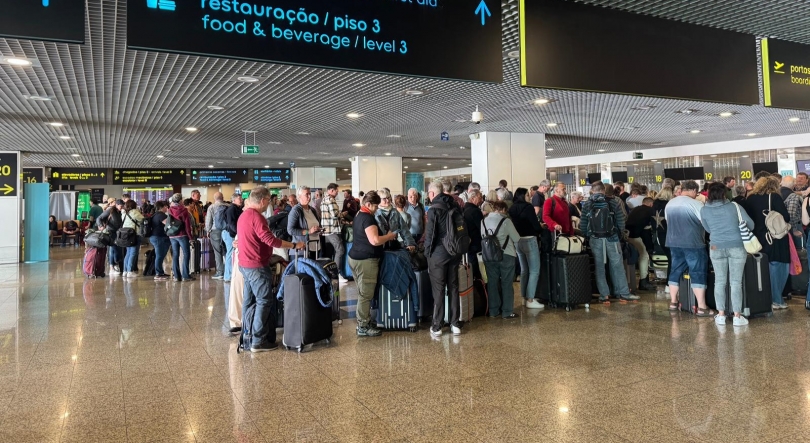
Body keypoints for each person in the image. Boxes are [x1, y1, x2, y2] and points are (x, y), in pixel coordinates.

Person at [238, 187, 305, 352]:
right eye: (268, 200)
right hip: (257, 266)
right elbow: (271, 241)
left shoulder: (244, 215)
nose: (269, 203)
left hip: (245, 264)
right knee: (264, 301)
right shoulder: (257, 217)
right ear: (262, 200)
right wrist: (294, 245)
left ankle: (247, 335)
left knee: (249, 301)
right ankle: (258, 341)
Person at [700, 182, 753, 326]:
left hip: (716, 246)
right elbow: (750, 224)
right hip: (736, 246)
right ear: (724, 193)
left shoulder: (704, 210)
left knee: (720, 281)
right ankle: (737, 316)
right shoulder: (735, 207)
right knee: (736, 282)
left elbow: (707, 228)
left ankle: (721, 315)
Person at [349, 191, 397, 337]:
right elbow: (375, 240)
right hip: (366, 261)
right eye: (375, 206)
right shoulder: (368, 218)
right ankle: (363, 326)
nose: (377, 208)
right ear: (368, 204)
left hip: (355, 258)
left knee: (363, 293)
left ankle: (364, 320)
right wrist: (389, 236)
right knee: (366, 294)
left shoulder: (358, 214)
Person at [580, 181, 637, 303]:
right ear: (603, 190)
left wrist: (588, 235)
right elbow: (621, 220)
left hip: (595, 239)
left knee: (599, 267)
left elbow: (583, 224)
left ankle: (604, 295)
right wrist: (619, 233)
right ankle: (623, 293)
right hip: (612, 237)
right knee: (617, 265)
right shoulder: (612, 201)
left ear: (592, 191)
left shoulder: (587, 204)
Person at [742, 177, 791, 310]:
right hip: (774, 237)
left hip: (756, 238)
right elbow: (785, 217)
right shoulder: (774, 197)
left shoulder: (750, 198)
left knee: (761, 268)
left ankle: (763, 298)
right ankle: (777, 299)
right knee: (778, 266)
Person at [665, 180, 712, 314]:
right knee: (697, 271)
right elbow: (705, 224)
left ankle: (673, 302)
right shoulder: (696, 204)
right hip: (693, 243)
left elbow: (669, 222)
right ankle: (702, 307)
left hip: (673, 242)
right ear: (693, 190)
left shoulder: (670, 203)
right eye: (696, 193)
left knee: (675, 270)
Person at [424, 180, 464, 337]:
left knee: (439, 289)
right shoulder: (455, 205)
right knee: (453, 287)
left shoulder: (434, 209)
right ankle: (455, 324)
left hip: (438, 256)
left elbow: (431, 235)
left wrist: (427, 252)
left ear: (433, 193)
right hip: (454, 252)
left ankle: (437, 326)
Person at [481, 201, 521, 319]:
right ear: (503, 209)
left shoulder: (483, 221)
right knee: (507, 283)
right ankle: (507, 312)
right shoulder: (506, 221)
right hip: (506, 255)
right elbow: (516, 238)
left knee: (492, 283)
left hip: (488, 256)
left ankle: (493, 311)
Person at [508, 187, 544, 309]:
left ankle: (524, 297)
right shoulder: (528, 207)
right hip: (530, 239)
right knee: (534, 270)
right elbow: (535, 224)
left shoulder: (512, 208)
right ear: (523, 196)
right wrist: (541, 228)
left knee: (524, 270)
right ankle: (530, 299)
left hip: (518, 240)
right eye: (527, 194)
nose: (529, 196)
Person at [626, 197, 656, 291]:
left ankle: (643, 280)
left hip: (627, 235)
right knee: (644, 256)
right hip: (635, 236)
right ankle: (643, 281)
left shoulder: (636, 209)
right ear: (651, 204)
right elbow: (651, 226)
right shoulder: (650, 211)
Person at [320, 183, 348, 279]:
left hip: (326, 230)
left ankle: (330, 274)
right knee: (340, 250)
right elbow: (335, 214)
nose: (337, 192)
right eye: (336, 190)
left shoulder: (324, 199)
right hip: (332, 230)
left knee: (331, 253)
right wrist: (343, 214)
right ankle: (337, 274)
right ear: (331, 190)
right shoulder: (330, 199)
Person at [287, 186, 322, 259]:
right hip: (301, 250)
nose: (309, 196)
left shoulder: (312, 210)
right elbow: (290, 230)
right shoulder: (296, 210)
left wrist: (319, 230)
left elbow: (316, 225)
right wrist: (308, 231)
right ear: (299, 197)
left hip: (315, 248)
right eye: (307, 194)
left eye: (310, 194)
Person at [168, 193, 195, 282]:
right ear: (180, 201)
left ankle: (176, 276)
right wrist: (190, 237)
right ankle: (185, 275)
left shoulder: (170, 210)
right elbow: (187, 226)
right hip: (182, 235)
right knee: (186, 254)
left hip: (172, 235)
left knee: (175, 255)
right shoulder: (184, 210)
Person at [652, 187, 674, 285]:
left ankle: (669, 282)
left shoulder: (654, 205)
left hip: (658, 234)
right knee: (672, 259)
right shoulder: (669, 206)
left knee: (670, 258)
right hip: (669, 235)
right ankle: (670, 282)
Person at [206, 192, 228, 280]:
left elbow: (209, 220)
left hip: (215, 231)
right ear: (222, 197)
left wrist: (208, 230)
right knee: (227, 251)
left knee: (217, 252)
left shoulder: (211, 207)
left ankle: (220, 272)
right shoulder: (228, 206)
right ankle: (228, 270)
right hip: (227, 231)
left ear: (214, 198)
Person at [462, 190, 484, 280]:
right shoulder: (475, 211)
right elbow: (482, 228)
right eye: (480, 197)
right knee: (478, 270)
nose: (481, 200)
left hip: (467, 244)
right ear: (473, 198)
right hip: (476, 244)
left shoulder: (463, 209)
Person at [98, 200, 124, 275]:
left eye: (122, 206)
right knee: (112, 249)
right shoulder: (110, 210)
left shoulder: (120, 212)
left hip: (118, 233)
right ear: (116, 205)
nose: (121, 208)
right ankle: (112, 267)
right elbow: (99, 218)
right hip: (110, 232)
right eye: (120, 206)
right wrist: (101, 226)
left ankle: (114, 265)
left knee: (117, 250)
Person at [223, 193, 243, 283]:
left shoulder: (237, 209)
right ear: (234, 200)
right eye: (239, 198)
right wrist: (238, 232)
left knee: (232, 253)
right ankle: (228, 276)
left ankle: (230, 275)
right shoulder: (232, 209)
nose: (241, 200)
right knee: (230, 254)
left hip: (232, 233)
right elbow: (231, 223)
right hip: (229, 233)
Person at [121, 200, 144, 278]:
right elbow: (142, 219)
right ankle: (130, 271)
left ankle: (125, 270)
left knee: (128, 253)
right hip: (134, 235)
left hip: (126, 235)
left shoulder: (124, 213)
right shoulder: (134, 212)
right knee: (133, 253)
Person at [149, 201, 171, 281]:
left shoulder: (155, 214)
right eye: (166, 207)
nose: (167, 208)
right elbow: (168, 225)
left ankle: (160, 272)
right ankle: (158, 273)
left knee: (160, 255)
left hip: (155, 237)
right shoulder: (161, 215)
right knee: (159, 255)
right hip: (159, 237)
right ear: (164, 206)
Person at [780, 176, 803, 248]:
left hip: (780, 227)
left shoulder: (776, 194)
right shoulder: (793, 196)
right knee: (800, 250)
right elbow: (791, 214)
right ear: (793, 185)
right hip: (794, 226)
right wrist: (794, 230)